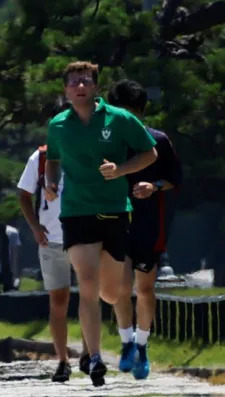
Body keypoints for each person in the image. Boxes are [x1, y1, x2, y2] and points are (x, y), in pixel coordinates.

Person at [45, 62, 157, 387]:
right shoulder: (58, 125)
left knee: (113, 292)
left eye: (85, 81)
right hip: (76, 212)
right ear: (66, 90)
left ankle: (105, 333)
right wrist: (51, 182)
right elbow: (53, 160)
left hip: (113, 211)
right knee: (88, 285)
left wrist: (121, 170)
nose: (80, 86)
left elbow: (149, 153)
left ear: (95, 87)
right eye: (73, 82)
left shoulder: (120, 119)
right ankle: (94, 357)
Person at [108, 79, 182, 380]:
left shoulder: (158, 140)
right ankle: (126, 342)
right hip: (114, 221)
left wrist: (154, 186)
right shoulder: (108, 142)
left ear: (140, 112)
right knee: (121, 288)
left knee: (145, 288)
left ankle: (142, 344)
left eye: (132, 113)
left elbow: (175, 177)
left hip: (149, 222)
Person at [17, 97, 91, 382]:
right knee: (58, 300)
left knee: (88, 297)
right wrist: (34, 227)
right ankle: (62, 360)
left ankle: (88, 353)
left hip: (83, 235)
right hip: (52, 239)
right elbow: (23, 195)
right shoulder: (40, 158)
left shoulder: (88, 151)